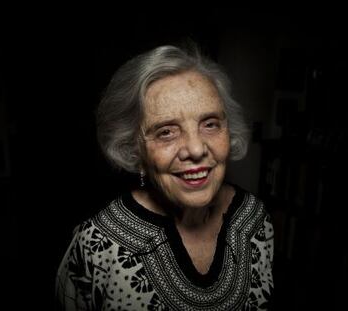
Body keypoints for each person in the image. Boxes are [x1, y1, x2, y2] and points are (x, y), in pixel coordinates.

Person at [55, 43, 274, 310]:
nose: (195, 149)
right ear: (135, 149)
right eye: (166, 132)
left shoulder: (255, 219)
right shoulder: (97, 244)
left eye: (210, 124)